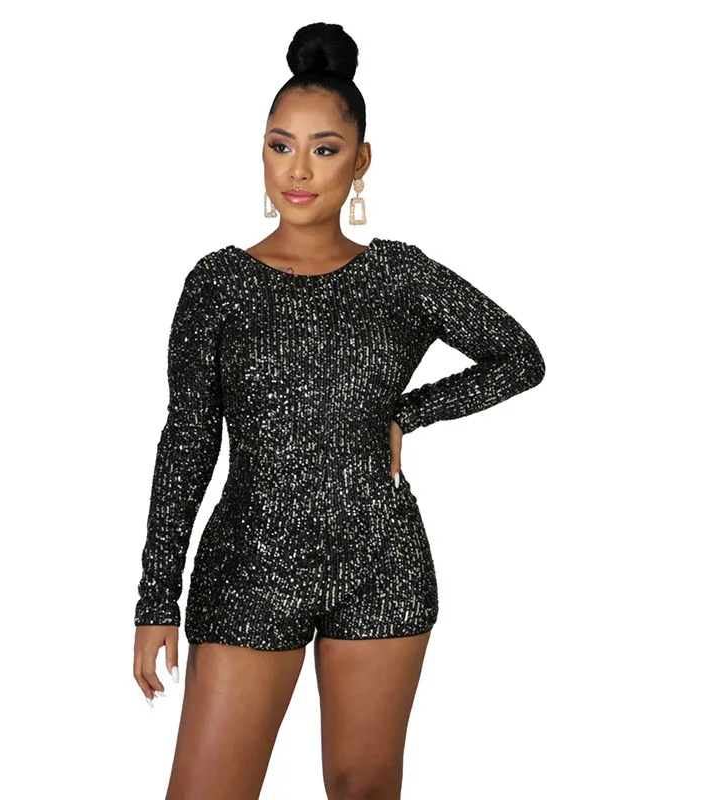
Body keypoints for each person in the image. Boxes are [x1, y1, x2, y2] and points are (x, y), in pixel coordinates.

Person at [133, 21, 545, 800]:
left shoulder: (400, 276)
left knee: (364, 791)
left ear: (360, 161)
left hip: (382, 563)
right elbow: (186, 443)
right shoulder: (218, 284)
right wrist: (157, 596)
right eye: (280, 145)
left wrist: (408, 413)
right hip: (249, 566)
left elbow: (519, 358)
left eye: (324, 149)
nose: (298, 169)